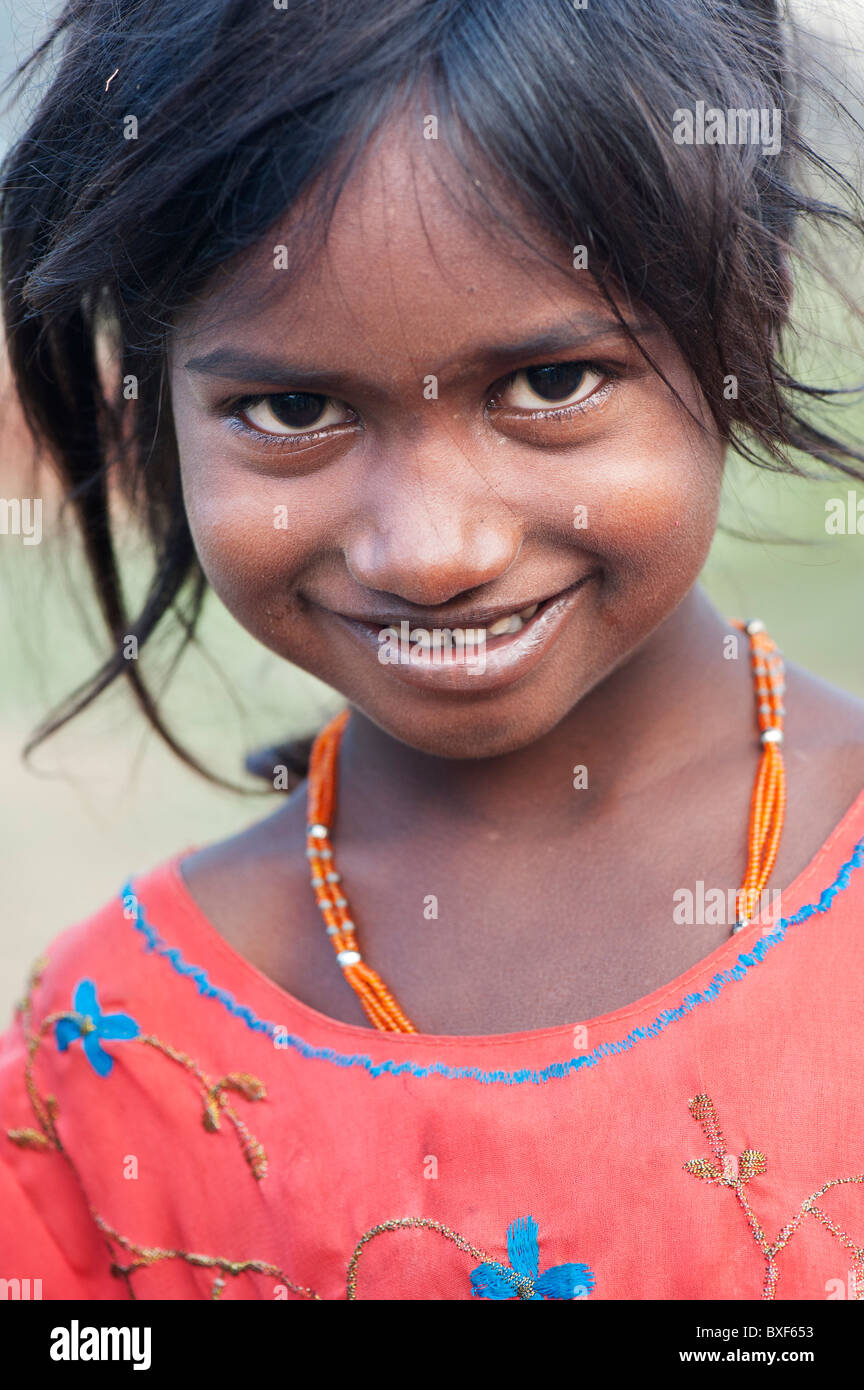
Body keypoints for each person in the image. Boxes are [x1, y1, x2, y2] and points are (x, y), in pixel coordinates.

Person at [2, 0, 864, 1301]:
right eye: (292, 409)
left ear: (752, 300)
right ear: (158, 391)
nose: (431, 548)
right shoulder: (124, 1050)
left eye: (551, 383)